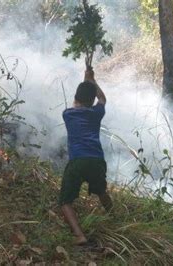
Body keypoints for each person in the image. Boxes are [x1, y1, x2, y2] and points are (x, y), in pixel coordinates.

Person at [60, 69, 113, 245]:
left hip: (78, 162)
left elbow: (81, 102)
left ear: (75, 98)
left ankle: (80, 236)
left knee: (65, 202)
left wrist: (87, 80)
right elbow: (102, 99)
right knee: (101, 192)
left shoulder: (68, 114)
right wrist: (92, 80)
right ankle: (115, 218)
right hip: (97, 161)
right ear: (91, 101)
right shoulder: (96, 114)